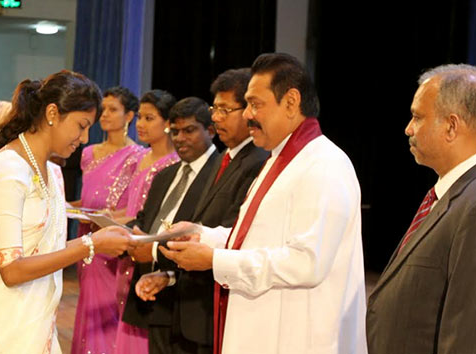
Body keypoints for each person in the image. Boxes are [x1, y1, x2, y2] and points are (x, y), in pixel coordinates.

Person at [159, 53, 368, 354]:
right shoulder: (279, 159)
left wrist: (215, 260)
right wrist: (202, 234)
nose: (246, 115)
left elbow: (306, 262)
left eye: (256, 104)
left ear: (292, 102)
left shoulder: (325, 164)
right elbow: (255, 237)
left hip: (299, 337)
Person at [0, 70, 137, 354]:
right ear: (53, 113)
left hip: (40, 312)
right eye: (81, 125)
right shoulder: (9, 169)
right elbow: (12, 270)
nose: (85, 138)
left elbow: (46, 250)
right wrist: (92, 244)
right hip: (5, 316)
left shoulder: (53, 172)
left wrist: (97, 241)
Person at [135, 68, 269, 353]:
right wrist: (168, 276)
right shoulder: (227, 159)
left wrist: (160, 253)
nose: (217, 117)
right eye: (214, 108)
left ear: (248, 111)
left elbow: (233, 239)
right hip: (191, 306)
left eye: (225, 109)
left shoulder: (257, 162)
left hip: (214, 310)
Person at [366, 64, 476, 354]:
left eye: (417, 117)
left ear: (451, 126)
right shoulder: (451, 196)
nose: (408, 128)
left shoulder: (472, 206)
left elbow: (465, 330)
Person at [71, 89, 179, 354]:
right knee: (113, 312)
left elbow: (148, 214)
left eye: (148, 118)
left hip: (139, 246)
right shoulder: (140, 158)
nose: (141, 123)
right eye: (141, 117)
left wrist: (111, 223)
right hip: (116, 238)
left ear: (168, 124)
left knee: (128, 317)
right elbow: (129, 206)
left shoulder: (164, 163)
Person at [122, 97, 219, 354]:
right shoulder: (166, 174)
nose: (180, 138)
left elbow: (210, 232)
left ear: (210, 130)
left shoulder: (220, 172)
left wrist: (153, 251)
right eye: (174, 131)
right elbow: (144, 221)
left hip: (191, 297)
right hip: (154, 293)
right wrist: (121, 234)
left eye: (189, 130)